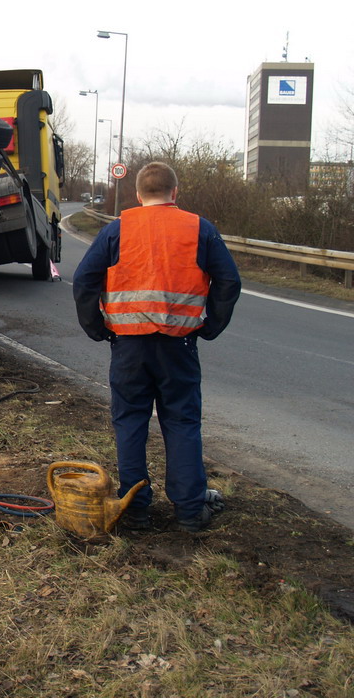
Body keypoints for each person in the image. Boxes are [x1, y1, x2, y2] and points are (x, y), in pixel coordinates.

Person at [72, 162, 241, 532]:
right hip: (178, 344)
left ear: (137, 195)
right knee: (181, 421)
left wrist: (97, 328)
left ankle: (135, 511)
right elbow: (229, 280)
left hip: (129, 346)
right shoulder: (199, 229)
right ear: (174, 193)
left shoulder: (117, 229)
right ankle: (189, 511)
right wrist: (210, 325)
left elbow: (84, 280)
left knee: (130, 422)